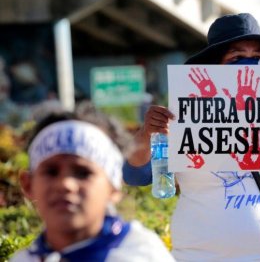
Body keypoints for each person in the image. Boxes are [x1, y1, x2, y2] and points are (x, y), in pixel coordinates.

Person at [123, 13, 260, 261]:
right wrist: (147, 133)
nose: (248, 65)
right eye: (237, 57)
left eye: (258, 57)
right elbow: (135, 175)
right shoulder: (184, 114)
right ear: (213, 66)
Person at [12, 102, 175, 261]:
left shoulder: (142, 256)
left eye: (83, 173)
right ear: (28, 184)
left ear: (114, 187)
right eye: (51, 172)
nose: (65, 184)